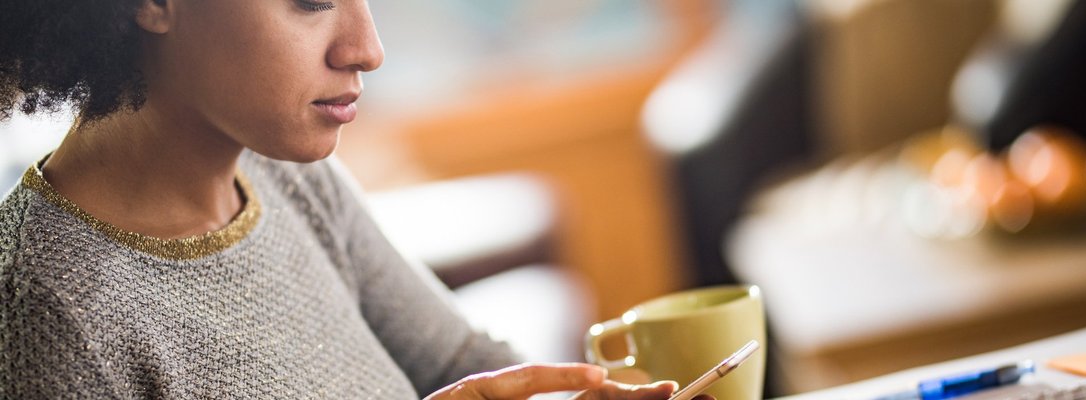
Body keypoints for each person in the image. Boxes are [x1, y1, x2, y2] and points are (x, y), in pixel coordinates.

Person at [0, 1, 703, 399]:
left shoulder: (283, 173)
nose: (367, 49)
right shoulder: (47, 312)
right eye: (310, 2)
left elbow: (461, 361)